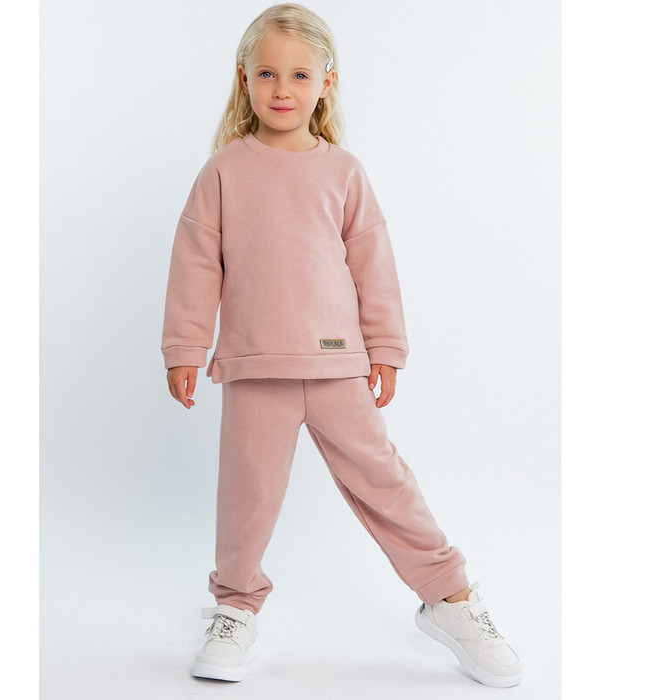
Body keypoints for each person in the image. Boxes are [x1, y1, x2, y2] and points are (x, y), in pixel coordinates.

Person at [161, 2, 522, 689]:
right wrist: (184, 348)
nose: (282, 89)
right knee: (246, 497)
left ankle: (451, 599)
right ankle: (235, 608)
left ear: (326, 82)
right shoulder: (223, 173)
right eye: (267, 73)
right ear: (243, 78)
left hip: (337, 364)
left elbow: (372, 266)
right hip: (255, 366)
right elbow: (196, 265)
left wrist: (386, 347)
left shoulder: (344, 172)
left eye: (300, 74)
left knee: (386, 483)